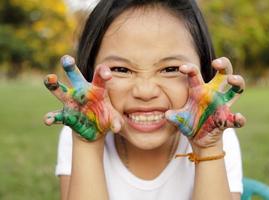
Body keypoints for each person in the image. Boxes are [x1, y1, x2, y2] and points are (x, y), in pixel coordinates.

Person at [44, 0, 246, 199]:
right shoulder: (80, 130)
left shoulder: (216, 135)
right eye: (121, 69)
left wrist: (207, 149)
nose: (145, 91)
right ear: (89, 74)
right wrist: (87, 145)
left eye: (170, 69)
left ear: (204, 71)